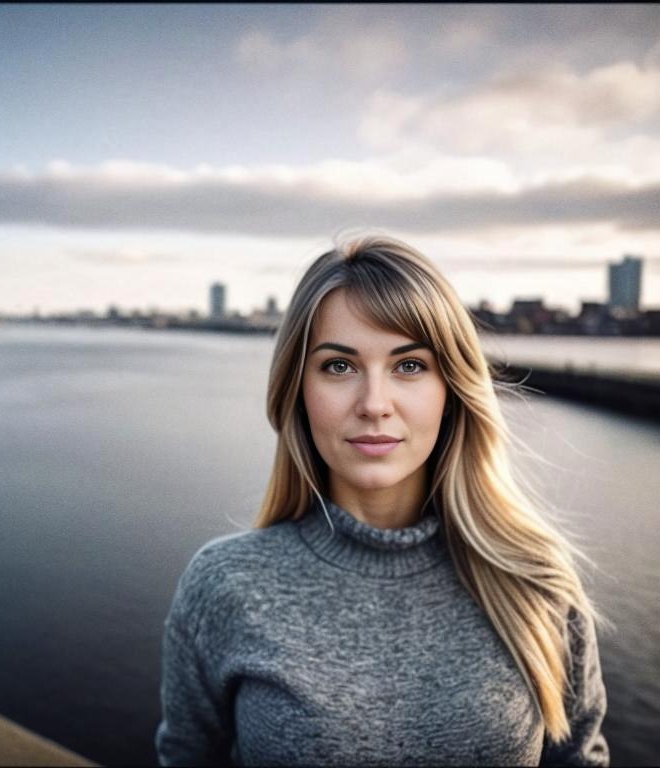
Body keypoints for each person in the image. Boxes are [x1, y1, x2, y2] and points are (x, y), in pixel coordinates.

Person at [155, 234, 608, 766]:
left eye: (409, 365)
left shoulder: (535, 579)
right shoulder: (226, 584)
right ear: (296, 389)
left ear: (452, 388)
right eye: (339, 366)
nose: (374, 404)